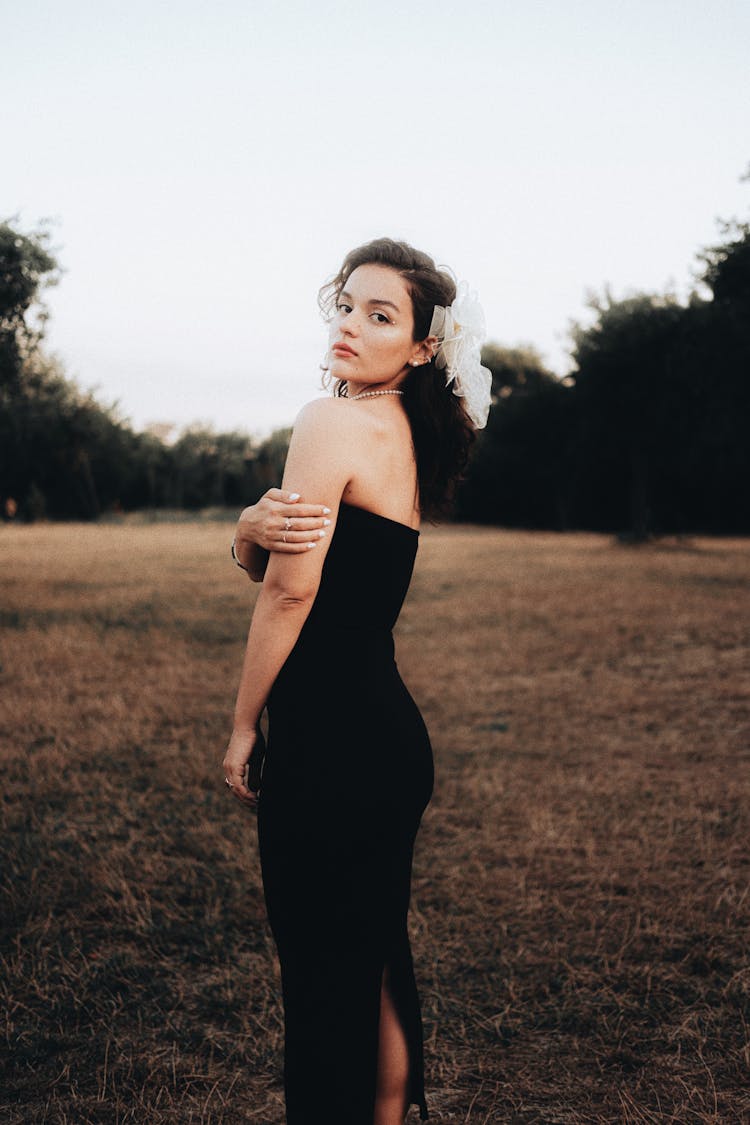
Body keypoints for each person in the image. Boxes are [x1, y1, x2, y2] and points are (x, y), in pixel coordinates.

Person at [222, 238, 491, 1125]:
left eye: (381, 315)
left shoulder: (327, 421)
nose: (351, 324)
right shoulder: (401, 430)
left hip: (333, 742)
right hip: (386, 739)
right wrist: (244, 532)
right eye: (347, 304)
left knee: (322, 975)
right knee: (371, 959)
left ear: (420, 347)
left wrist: (241, 725)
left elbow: (291, 592)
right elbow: (289, 566)